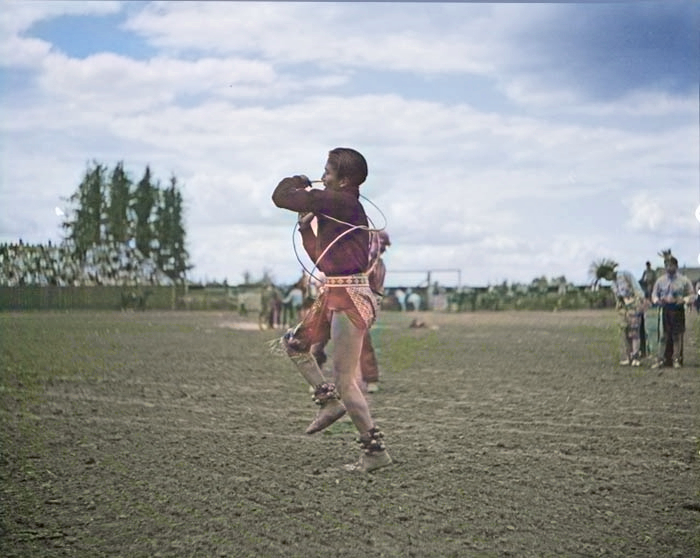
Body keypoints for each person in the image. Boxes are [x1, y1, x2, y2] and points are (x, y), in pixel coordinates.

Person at [271, 147, 392, 473]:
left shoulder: (340, 202)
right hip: (336, 292)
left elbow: (281, 196)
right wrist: (305, 229)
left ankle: (375, 451)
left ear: (344, 180)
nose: (322, 177)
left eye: (327, 172)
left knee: (346, 381)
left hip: (349, 297)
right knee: (295, 344)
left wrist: (298, 180)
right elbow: (324, 262)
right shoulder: (338, 207)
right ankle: (328, 402)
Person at [650, 256, 696, 369]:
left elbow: (692, 295)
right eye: (666, 265)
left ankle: (676, 359)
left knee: (677, 336)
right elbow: (654, 294)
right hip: (665, 309)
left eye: (671, 265)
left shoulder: (684, 280)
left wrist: (684, 300)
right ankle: (660, 359)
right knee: (663, 336)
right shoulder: (660, 281)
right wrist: (657, 300)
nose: (669, 268)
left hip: (678, 310)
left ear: (676, 266)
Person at [602, 264, 646, 366]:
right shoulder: (613, 284)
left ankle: (636, 357)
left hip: (634, 306)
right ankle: (629, 356)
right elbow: (618, 298)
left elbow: (636, 288)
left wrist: (640, 302)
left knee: (634, 332)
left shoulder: (625, 275)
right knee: (625, 333)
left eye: (606, 276)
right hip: (623, 310)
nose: (607, 279)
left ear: (610, 272)